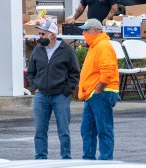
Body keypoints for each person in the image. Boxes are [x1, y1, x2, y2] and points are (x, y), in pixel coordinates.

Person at [26, 20, 79, 159]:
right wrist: (34, 87)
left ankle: (66, 159)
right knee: (40, 130)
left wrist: (67, 90)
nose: (40, 36)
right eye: (39, 33)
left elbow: (75, 73)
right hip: (41, 96)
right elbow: (30, 72)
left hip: (60, 95)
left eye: (43, 33)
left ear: (52, 35)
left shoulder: (66, 50)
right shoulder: (38, 50)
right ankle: (40, 159)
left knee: (63, 130)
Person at [77, 18, 120, 160]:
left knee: (104, 129)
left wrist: (98, 89)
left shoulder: (102, 46)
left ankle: (106, 161)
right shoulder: (95, 45)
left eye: (86, 30)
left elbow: (107, 71)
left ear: (96, 31)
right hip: (93, 94)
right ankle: (89, 160)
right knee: (87, 130)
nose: (84, 33)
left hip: (102, 93)